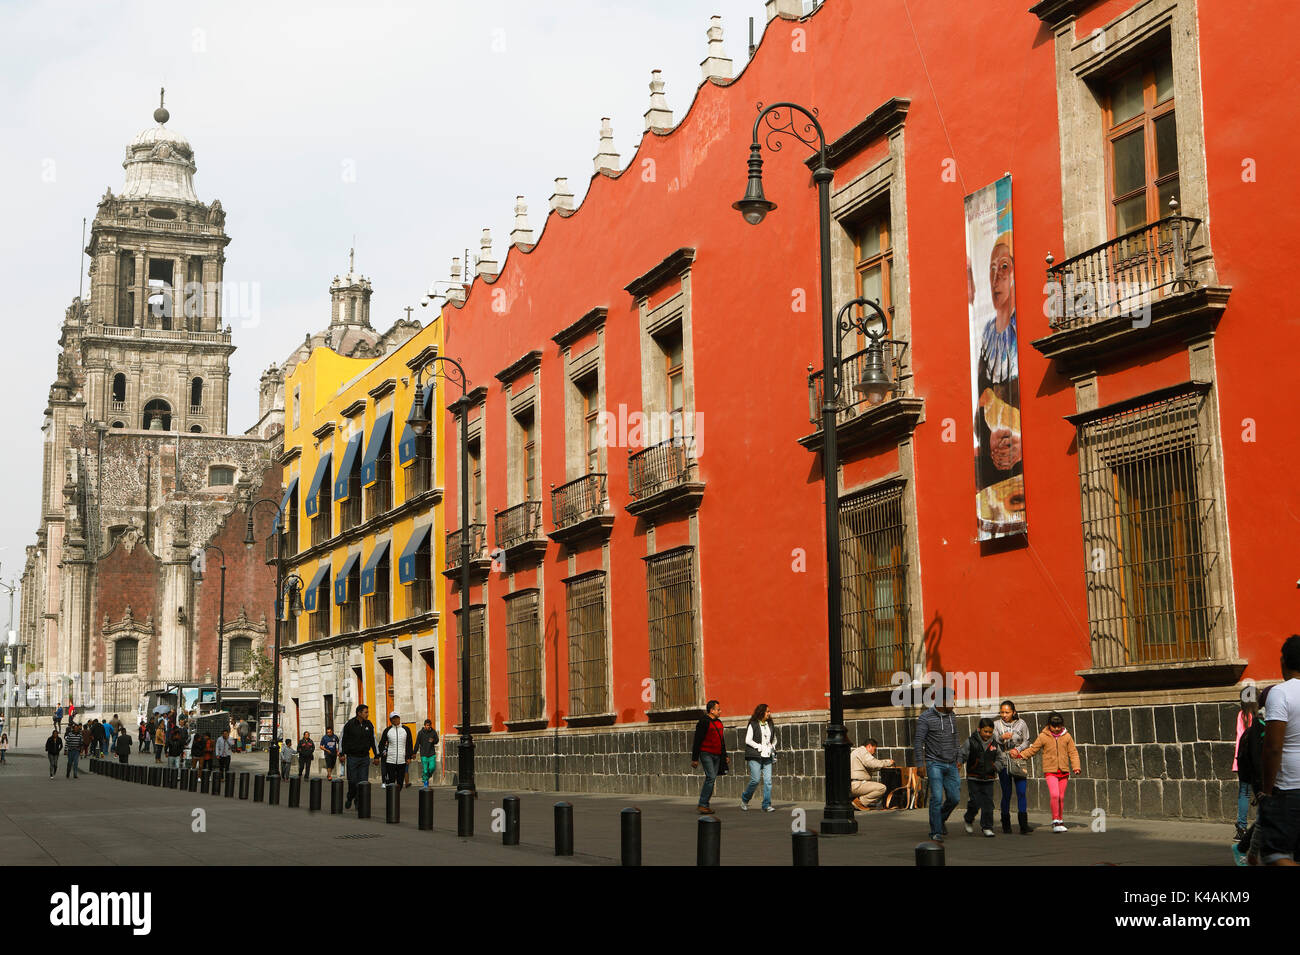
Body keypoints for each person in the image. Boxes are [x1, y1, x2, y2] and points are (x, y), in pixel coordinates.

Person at [1258, 634, 1300, 865]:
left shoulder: (1280, 693)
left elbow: (1273, 747)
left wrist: (1267, 789)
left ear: (1284, 662)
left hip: (1288, 788)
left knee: (1276, 855)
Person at [1012, 712, 1081, 832]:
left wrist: (1076, 767)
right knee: (1054, 795)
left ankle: (1060, 820)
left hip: (1064, 770)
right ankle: (1055, 821)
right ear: (1049, 725)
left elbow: (1073, 752)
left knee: (1061, 796)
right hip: (1050, 771)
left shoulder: (1067, 736)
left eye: (1059, 725)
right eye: (1054, 726)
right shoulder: (1043, 736)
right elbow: (1033, 749)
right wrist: (1021, 755)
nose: (1056, 728)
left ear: (1062, 725)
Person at [914, 686, 961, 842]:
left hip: (952, 763)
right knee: (937, 797)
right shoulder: (925, 718)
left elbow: (956, 738)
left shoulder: (952, 716)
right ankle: (935, 831)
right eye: (951, 701)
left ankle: (939, 819)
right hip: (934, 763)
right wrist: (920, 764)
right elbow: (918, 741)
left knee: (954, 798)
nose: (954, 704)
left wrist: (959, 758)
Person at [959, 718, 1006, 837]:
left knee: (988, 803)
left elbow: (1001, 758)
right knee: (975, 801)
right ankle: (969, 818)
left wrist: (995, 767)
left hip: (989, 778)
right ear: (979, 730)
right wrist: (959, 763)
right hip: (974, 777)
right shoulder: (971, 742)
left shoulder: (995, 744)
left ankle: (987, 827)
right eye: (985, 732)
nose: (988, 734)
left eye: (990, 732)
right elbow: (962, 754)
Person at [995, 699, 1034, 834]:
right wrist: (1001, 738)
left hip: (1018, 761)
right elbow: (991, 740)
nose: (1004, 715)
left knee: (1021, 792)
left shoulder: (1021, 723)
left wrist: (1018, 750)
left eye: (1007, 712)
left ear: (1013, 712)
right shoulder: (996, 725)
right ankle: (1006, 824)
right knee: (1006, 793)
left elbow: (1027, 740)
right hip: (1003, 762)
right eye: (1002, 712)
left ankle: (1023, 824)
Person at [689, 699, 729, 815]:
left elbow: (721, 740)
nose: (720, 711)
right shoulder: (703, 722)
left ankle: (704, 804)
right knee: (711, 777)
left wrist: (725, 754)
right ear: (711, 710)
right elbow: (697, 741)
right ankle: (703, 804)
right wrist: (695, 758)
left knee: (711, 778)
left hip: (717, 754)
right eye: (718, 709)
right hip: (706, 753)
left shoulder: (719, 723)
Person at [740, 703, 779, 812]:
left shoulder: (770, 724)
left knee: (768, 781)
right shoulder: (753, 724)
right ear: (761, 712)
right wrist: (759, 747)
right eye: (767, 711)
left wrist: (773, 745)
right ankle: (745, 799)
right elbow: (748, 740)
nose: (769, 713)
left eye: (769, 711)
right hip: (755, 755)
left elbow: (774, 738)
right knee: (755, 780)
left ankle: (766, 805)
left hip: (767, 756)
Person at [340, 704, 378, 810]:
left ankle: (358, 801)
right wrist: (342, 753)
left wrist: (376, 755)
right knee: (352, 781)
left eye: (367, 712)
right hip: (352, 758)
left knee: (362, 782)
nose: (367, 714)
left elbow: (373, 740)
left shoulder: (369, 725)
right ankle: (350, 797)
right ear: (359, 713)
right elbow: (343, 739)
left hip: (364, 758)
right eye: (365, 712)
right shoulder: (350, 725)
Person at [1233, 690, 1260, 841]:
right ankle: (1263, 827)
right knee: (1262, 793)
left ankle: (1242, 827)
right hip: (1257, 760)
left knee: (1244, 793)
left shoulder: (1241, 715)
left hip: (1242, 761)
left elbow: (1239, 739)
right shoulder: (1259, 716)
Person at [850, 737, 895, 811]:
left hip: (852, 784)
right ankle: (859, 802)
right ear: (869, 746)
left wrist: (883, 764)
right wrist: (888, 762)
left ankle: (857, 801)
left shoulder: (856, 752)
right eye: (874, 749)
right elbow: (872, 763)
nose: (874, 752)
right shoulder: (862, 751)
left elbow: (871, 767)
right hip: (857, 784)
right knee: (881, 788)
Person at [377, 712, 413, 788]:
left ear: (399, 718)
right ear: (391, 720)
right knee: (391, 783)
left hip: (402, 760)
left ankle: (396, 798)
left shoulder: (406, 729)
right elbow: (381, 744)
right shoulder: (387, 730)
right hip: (390, 760)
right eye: (394, 718)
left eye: (397, 717)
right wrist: (383, 752)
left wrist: (409, 757)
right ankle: (391, 798)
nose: (396, 719)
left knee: (400, 783)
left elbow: (409, 744)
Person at [414, 720, 439, 789]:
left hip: (431, 753)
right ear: (424, 725)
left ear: (430, 725)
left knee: (432, 768)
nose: (428, 727)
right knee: (425, 770)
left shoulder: (433, 732)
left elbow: (437, 740)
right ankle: (425, 782)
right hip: (424, 754)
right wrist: (414, 753)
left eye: (429, 725)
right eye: (427, 725)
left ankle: (426, 777)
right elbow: (417, 743)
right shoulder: (420, 733)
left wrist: (433, 740)